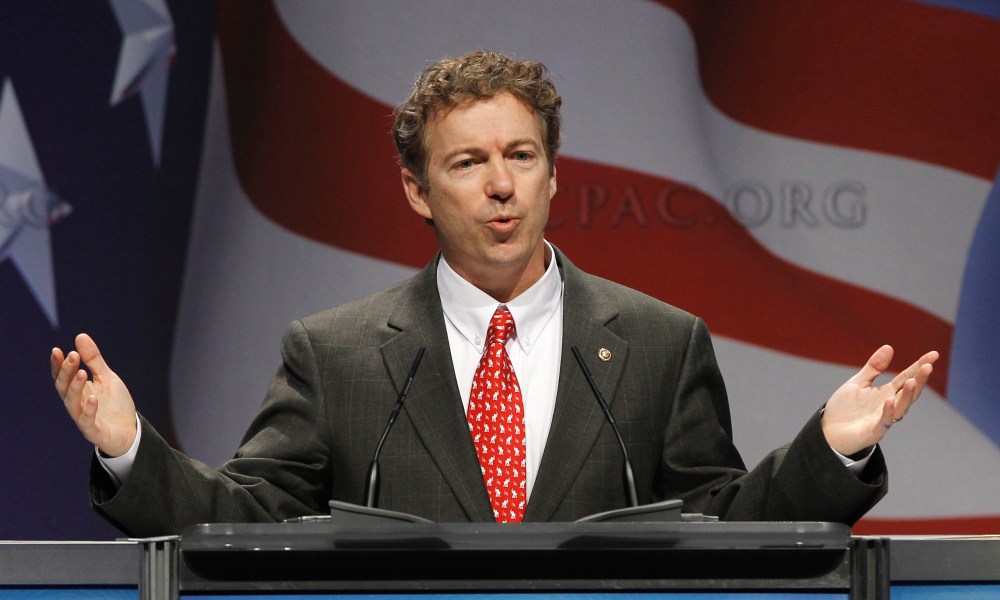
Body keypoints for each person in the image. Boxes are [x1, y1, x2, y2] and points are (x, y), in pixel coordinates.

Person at [52, 51, 938, 537]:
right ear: (416, 190)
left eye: (521, 157)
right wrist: (132, 449)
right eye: (468, 163)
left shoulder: (659, 344)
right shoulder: (340, 355)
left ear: (554, 175)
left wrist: (832, 449)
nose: (501, 185)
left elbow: (723, 528)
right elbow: (245, 521)